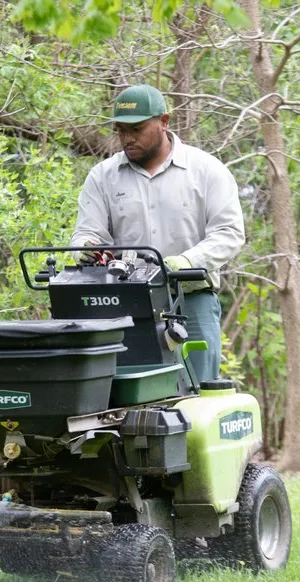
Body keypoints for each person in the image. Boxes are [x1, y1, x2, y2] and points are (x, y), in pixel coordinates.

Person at [71, 84, 245, 381]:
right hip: (125, 305)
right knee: (125, 392)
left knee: (197, 391)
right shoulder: (103, 177)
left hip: (191, 301)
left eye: (137, 129)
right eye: (121, 130)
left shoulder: (205, 170)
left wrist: (187, 262)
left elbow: (229, 232)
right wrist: (85, 248)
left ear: (164, 121)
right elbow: (88, 232)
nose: (127, 138)